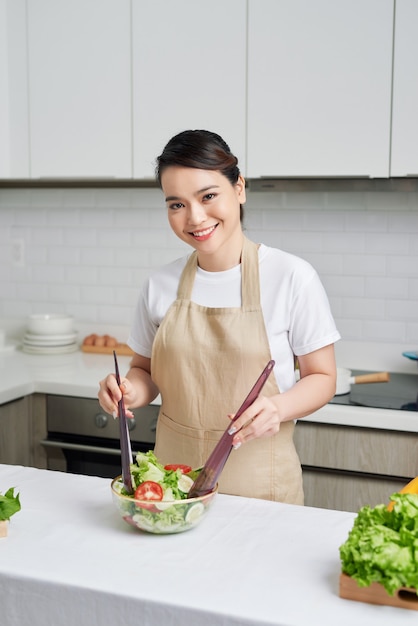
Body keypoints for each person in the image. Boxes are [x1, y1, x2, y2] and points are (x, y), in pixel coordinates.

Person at [98, 129, 340, 504]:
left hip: (262, 492)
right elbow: (144, 372)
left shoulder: (292, 276)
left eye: (208, 196)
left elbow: (322, 377)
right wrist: (127, 391)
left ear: (239, 188)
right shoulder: (160, 284)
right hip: (172, 492)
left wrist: (278, 407)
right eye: (176, 204)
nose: (194, 217)